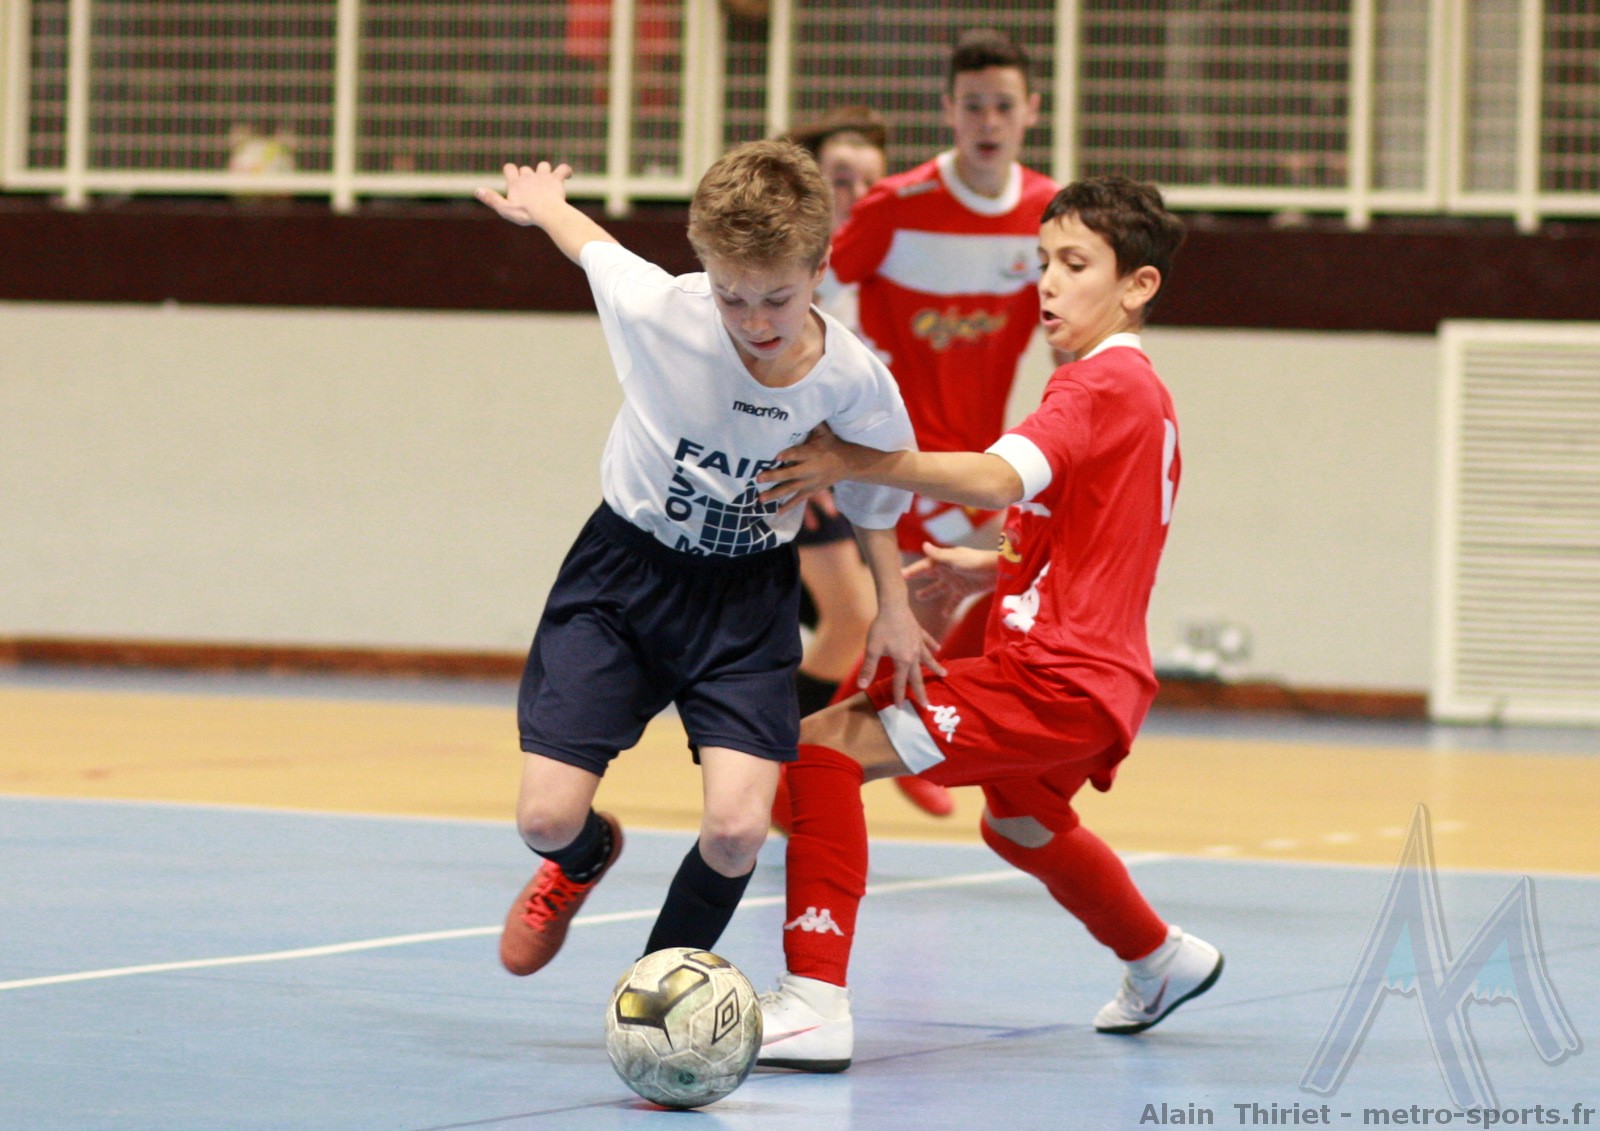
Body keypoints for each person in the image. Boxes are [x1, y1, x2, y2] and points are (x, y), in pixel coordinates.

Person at [751, 175, 1223, 1071]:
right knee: (1017, 823)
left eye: (1075, 264)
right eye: (1042, 262)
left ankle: (813, 1001)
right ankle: (1159, 957)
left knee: (820, 750)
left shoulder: (1097, 385)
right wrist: (990, 568)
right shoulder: (1139, 392)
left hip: (1055, 678)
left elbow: (997, 478)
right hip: (1099, 681)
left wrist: (852, 458)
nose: (1048, 283)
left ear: (1138, 286)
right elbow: (1099, 533)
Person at [473, 139, 939, 978]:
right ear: (705, 271)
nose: (755, 322)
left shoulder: (853, 380)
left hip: (745, 598)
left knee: (735, 831)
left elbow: (879, 488)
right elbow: (592, 245)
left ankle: (654, 992)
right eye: (732, 296)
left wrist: (893, 609)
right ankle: (584, 856)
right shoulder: (663, 311)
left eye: (777, 298)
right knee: (544, 819)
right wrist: (542, 203)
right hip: (623, 579)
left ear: (819, 270)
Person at [829, 29, 1061, 636]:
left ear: (1032, 111)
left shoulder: (1049, 213)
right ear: (948, 110)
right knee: (933, 624)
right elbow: (806, 302)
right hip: (906, 462)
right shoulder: (895, 205)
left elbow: (1070, 343)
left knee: (932, 637)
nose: (989, 122)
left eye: (1004, 105)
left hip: (984, 465)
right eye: (973, 105)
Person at [778, 106, 955, 820]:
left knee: (882, 607)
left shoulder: (882, 267)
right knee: (853, 617)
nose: (856, 195)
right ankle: (785, 763)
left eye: (871, 183)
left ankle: (807, 755)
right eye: (841, 178)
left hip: (846, 468)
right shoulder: (789, 267)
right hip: (793, 466)